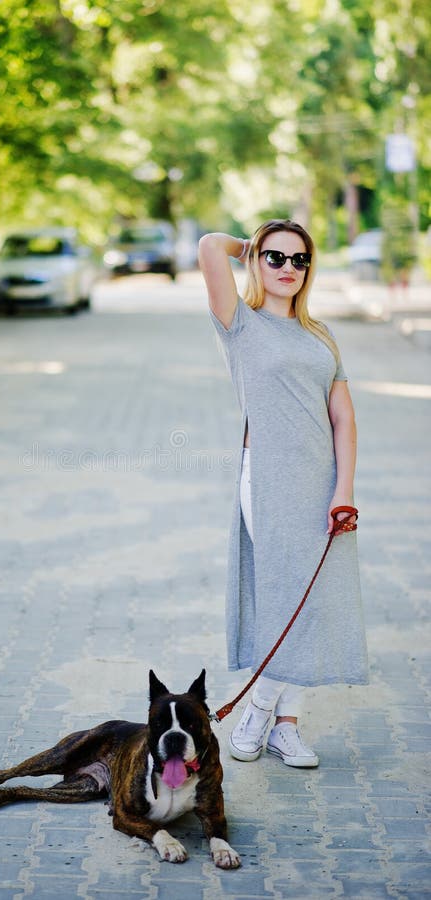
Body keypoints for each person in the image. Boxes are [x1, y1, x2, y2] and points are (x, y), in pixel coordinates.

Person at [198, 219, 368, 768]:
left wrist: (343, 489)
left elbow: (343, 419)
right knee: (284, 590)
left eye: (299, 260)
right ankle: (256, 712)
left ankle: (281, 724)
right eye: (276, 258)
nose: (288, 268)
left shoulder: (321, 334)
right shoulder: (239, 324)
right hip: (267, 478)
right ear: (257, 262)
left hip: (322, 481)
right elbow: (207, 248)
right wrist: (247, 246)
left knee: (313, 596)